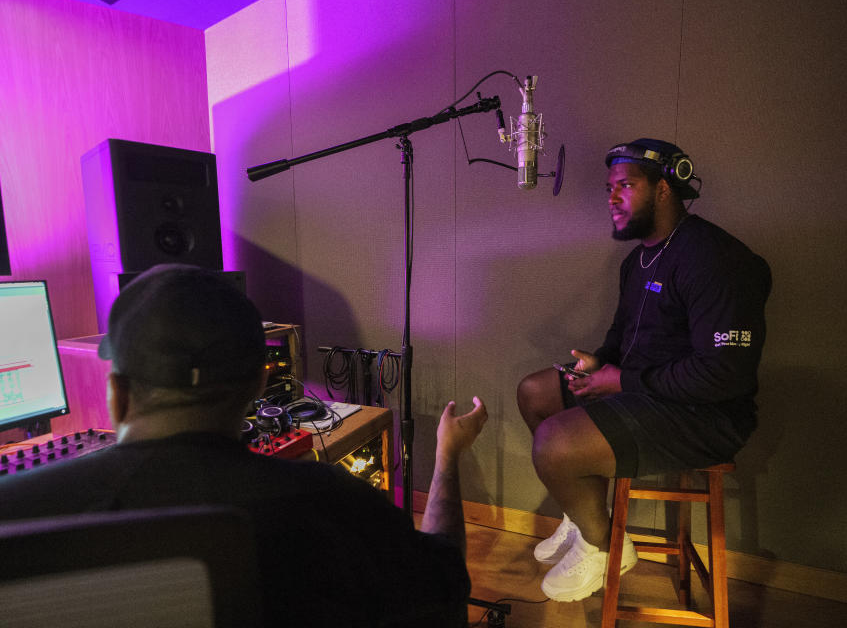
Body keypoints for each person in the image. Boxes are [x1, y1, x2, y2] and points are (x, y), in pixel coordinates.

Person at [0, 263, 487, 627]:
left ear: (116, 392)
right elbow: (445, 590)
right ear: (258, 384)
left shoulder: (16, 509)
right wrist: (447, 455)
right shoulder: (337, 501)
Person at [516, 138, 771, 602]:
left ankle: (602, 548)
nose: (612, 197)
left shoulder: (716, 259)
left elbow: (724, 375)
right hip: (644, 393)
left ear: (664, 190)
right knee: (535, 392)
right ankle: (583, 515)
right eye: (609, 187)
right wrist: (599, 363)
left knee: (554, 443)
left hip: (706, 415)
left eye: (626, 185)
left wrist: (621, 379)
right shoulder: (637, 261)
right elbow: (623, 338)